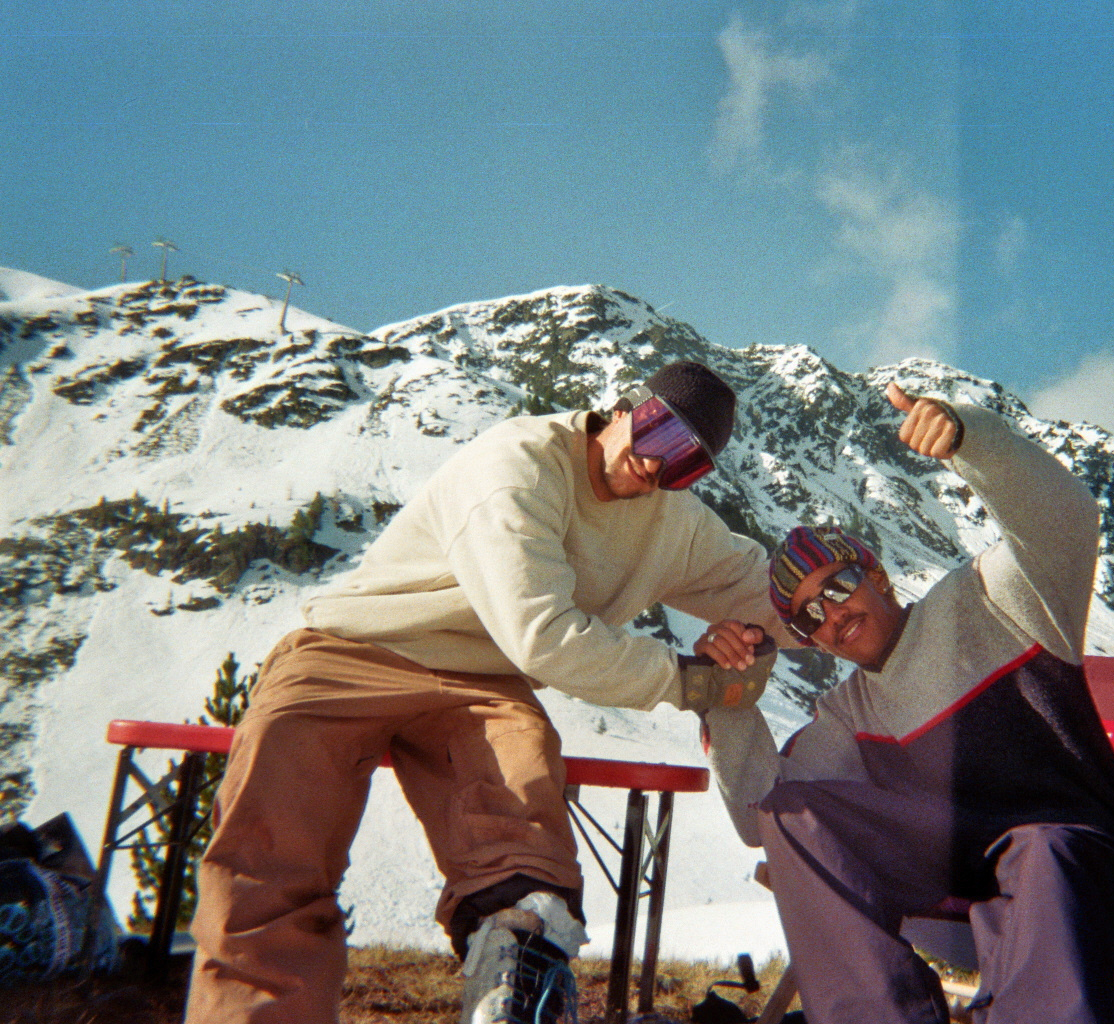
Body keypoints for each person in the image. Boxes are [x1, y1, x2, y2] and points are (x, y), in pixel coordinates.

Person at [186, 360, 784, 1024]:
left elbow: (766, 588)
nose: (658, 467)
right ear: (624, 408)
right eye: (658, 435)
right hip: (356, 648)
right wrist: (688, 679)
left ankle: (518, 979)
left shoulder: (671, 521)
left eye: (687, 465)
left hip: (484, 684)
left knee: (522, 825)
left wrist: (850, 611)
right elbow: (544, 636)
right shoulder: (520, 463)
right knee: (273, 851)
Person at [697, 381, 1114, 1024]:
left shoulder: (991, 600)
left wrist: (971, 440)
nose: (831, 614)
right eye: (809, 617)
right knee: (793, 810)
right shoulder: (850, 712)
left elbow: (1066, 520)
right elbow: (761, 820)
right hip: (957, 866)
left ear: (877, 576)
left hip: (1070, 850)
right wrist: (729, 698)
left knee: (1041, 854)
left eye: (836, 587)